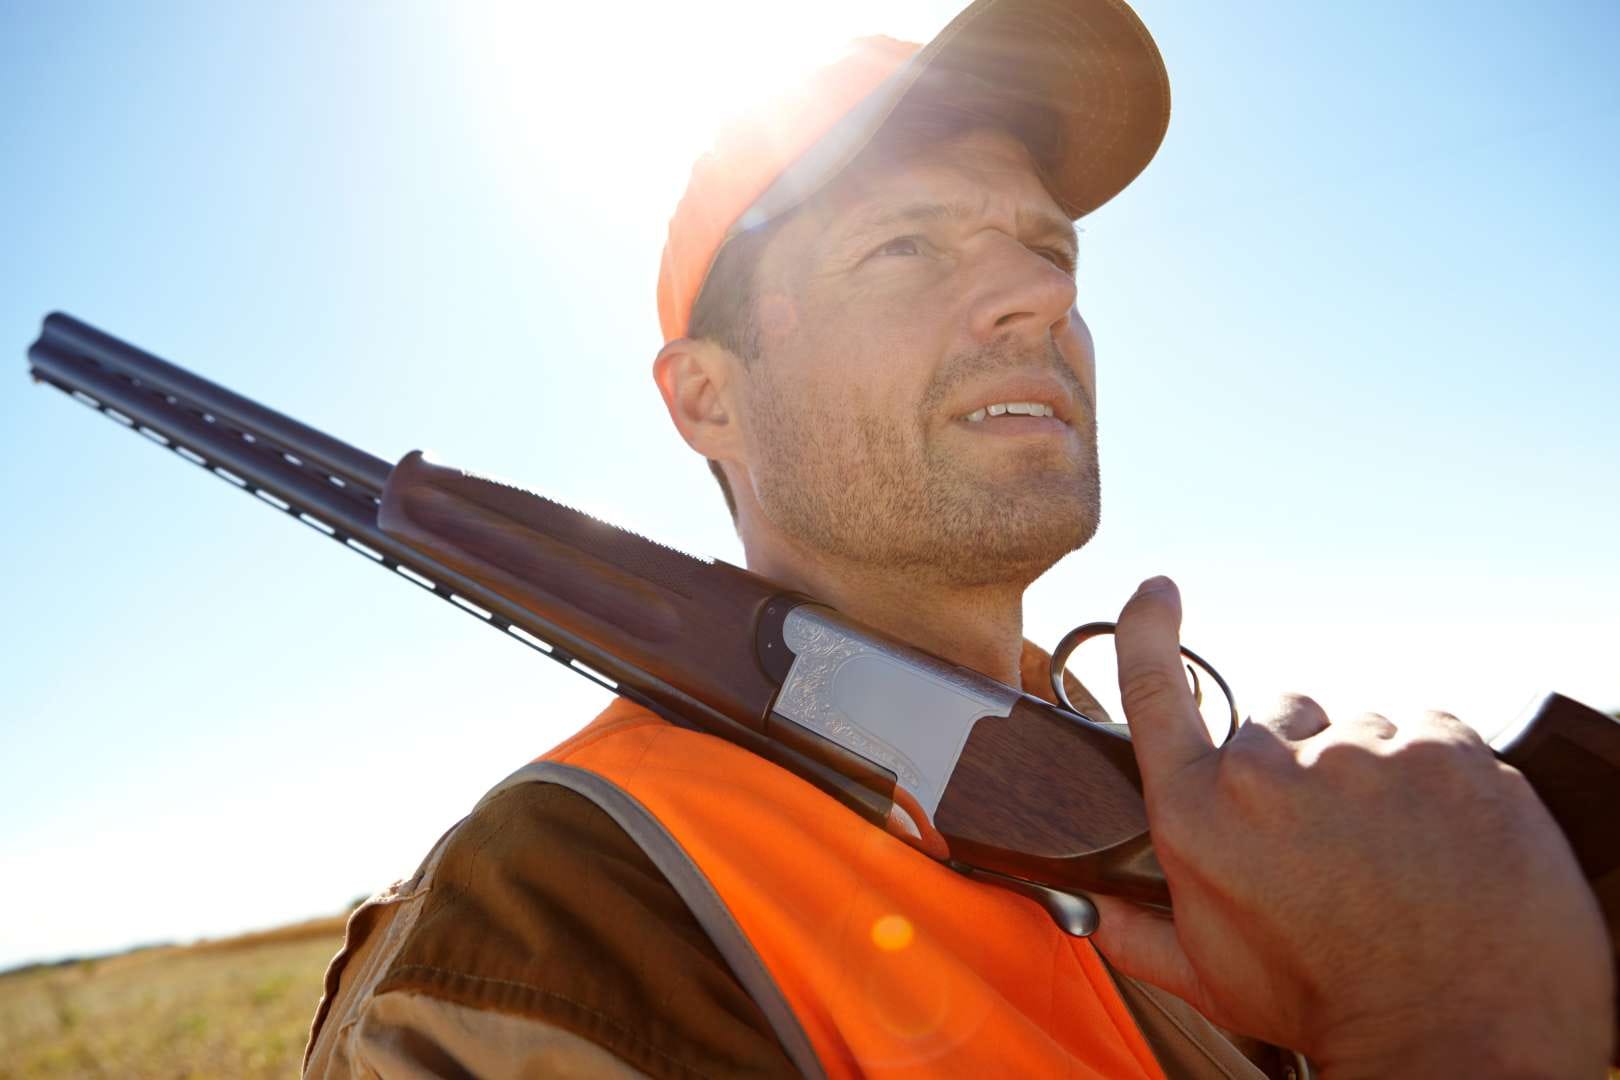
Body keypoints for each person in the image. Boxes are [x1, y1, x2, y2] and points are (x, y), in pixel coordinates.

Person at [304, 0, 1613, 1075]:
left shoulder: (1157, 793)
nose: (1040, 292)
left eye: (1051, 249)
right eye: (905, 247)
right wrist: (1460, 1022)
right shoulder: (557, 915)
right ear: (707, 398)